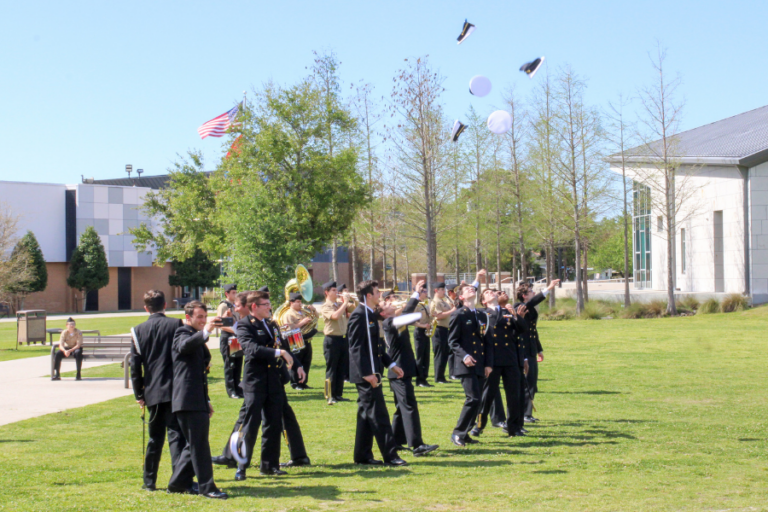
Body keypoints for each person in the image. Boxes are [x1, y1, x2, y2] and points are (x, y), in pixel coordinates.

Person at [232, 291, 296, 480]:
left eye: (269, 304)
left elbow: (284, 346)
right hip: (255, 382)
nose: (269, 307)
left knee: (273, 424)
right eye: (265, 304)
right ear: (254, 307)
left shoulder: (270, 324)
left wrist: (297, 366)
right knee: (251, 426)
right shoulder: (244, 325)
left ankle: (269, 465)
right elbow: (251, 350)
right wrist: (279, 353)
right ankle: (241, 466)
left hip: (273, 380)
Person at [168, 301, 227, 499]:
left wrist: (206, 400)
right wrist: (206, 331)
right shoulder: (181, 333)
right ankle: (207, 487)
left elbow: (200, 371)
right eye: (199, 317)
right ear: (188, 318)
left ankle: (177, 483)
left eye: (205, 316)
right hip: (186, 399)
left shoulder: (195, 336)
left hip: (196, 398)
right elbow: (184, 347)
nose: (203, 320)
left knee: (193, 444)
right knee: (200, 445)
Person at [130, 290, 186, 492]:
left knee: (154, 439)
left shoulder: (138, 330)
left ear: (146, 308)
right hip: (175, 389)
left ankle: (149, 482)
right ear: (165, 306)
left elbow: (135, 367)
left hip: (152, 391)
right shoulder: (177, 324)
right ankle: (178, 479)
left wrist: (139, 394)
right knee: (176, 436)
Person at [347, 279, 408, 466]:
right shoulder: (359, 315)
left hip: (374, 371)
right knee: (380, 415)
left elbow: (378, 347)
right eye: (377, 292)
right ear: (368, 296)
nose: (379, 295)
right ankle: (391, 456)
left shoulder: (370, 315)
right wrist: (367, 373)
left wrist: (391, 364)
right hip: (367, 375)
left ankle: (362, 455)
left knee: (366, 415)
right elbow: (356, 347)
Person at [380, 285, 439, 457]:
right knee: (409, 406)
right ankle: (417, 445)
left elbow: (408, 314)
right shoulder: (389, 322)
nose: (392, 303)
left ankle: (396, 441)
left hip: (402, 370)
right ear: (383, 313)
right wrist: (415, 295)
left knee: (401, 407)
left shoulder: (395, 320)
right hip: (398, 371)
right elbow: (407, 313)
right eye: (387, 304)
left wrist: (415, 298)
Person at [471, 288, 529, 438]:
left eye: (493, 292)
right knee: (487, 396)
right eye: (487, 293)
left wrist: (516, 315)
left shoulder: (507, 312)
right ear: (483, 301)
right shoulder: (481, 313)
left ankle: (513, 427)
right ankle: (479, 426)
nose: (492, 293)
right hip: (492, 360)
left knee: (514, 396)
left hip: (510, 360)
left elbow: (522, 330)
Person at [448, 281, 492, 447]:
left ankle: (465, 433)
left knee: (478, 399)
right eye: (467, 289)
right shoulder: (459, 314)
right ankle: (458, 433)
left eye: (472, 288)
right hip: (465, 363)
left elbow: (487, 341)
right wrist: (464, 355)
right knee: (473, 398)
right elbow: (452, 341)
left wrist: (488, 364)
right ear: (461, 297)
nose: (471, 289)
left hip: (480, 363)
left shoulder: (482, 315)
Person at [514, 279, 560, 423]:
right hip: (522, 350)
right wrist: (549, 288)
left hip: (531, 349)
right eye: (530, 292)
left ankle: (527, 413)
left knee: (532, 382)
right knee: (527, 382)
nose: (533, 293)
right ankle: (523, 414)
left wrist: (539, 349)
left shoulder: (530, 307)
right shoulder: (519, 306)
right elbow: (531, 303)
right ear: (524, 296)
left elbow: (533, 330)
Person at [319, 281, 355, 405]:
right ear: (326, 292)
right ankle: (329, 395)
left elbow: (355, 308)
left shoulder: (339, 303)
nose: (337, 292)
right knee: (332, 369)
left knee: (341, 368)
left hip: (343, 339)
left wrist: (351, 300)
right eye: (333, 290)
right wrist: (345, 303)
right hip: (332, 340)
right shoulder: (326, 306)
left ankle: (338, 394)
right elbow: (335, 316)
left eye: (336, 290)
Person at [281, 292, 315, 390]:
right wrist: (302, 323)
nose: (300, 304)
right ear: (291, 303)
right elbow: (289, 329)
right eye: (298, 302)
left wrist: (314, 311)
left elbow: (314, 319)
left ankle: (303, 382)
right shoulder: (288, 314)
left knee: (306, 361)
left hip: (307, 340)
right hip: (295, 340)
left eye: (300, 301)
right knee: (297, 361)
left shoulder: (303, 312)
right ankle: (295, 383)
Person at [217, 284, 244, 399]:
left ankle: (238, 389)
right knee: (230, 365)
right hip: (228, 337)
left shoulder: (236, 306)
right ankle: (231, 390)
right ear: (226, 294)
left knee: (238, 364)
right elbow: (220, 324)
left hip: (236, 338)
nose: (235, 294)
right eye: (233, 293)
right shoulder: (224, 306)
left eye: (236, 292)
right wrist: (236, 331)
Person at [429, 282, 455, 384]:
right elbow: (438, 316)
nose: (444, 292)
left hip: (445, 329)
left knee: (444, 353)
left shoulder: (443, 301)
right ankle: (438, 377)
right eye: (442, 290)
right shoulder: (436, 302)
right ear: (436, 291)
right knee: (440, 354)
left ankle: (442, 376)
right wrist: (452, 310)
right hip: (438, 329)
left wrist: (452, 306)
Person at [412, 286, 433, 387]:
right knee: (420, 356)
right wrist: (422, 325)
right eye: (424, 291)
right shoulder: (415, 304)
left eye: (426, 291)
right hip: (419, 331)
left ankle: (424, 378)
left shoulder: (425, 304)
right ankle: (419, 379)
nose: (426, 293)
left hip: (426, 331)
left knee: (426, 356)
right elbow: (412, 321)